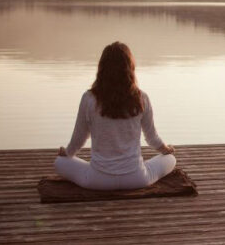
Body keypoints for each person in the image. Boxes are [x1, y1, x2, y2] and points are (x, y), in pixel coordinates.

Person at [54, 41, 177, 190]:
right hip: (137, 178)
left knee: (59, 163)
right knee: (170, 159)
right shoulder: (141, 98)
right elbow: (151, 138)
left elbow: (79, 139)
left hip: (97, 180)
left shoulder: (89, 98)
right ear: (130, 68)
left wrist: (67, 153)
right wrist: (165, 149)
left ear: (102, 69)